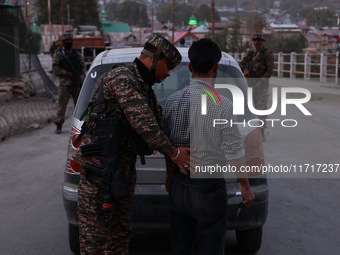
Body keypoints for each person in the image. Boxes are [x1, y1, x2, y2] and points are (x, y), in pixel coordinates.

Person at [73, 33, 195, 255]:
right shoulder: (122, 78)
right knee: (95, 239)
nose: (168, 73)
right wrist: (175, 153)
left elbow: (161, 125)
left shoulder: (145, 91)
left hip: (121, 171)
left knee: (119, 235)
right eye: (167, 67)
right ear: (153, 58)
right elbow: (145, 124)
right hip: (99, 172)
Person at [163, 38, 255, 255]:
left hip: (178, 183)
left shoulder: (172, 101)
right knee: (211, 246)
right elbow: (233, 150)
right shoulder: (222, 104)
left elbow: (168, 148)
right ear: (216, 68)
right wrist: (245, 187)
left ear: (190, 67)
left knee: (180, 244)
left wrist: (169, 178)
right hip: (209, 189)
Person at [239, 33, 274, 140]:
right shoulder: (250, 54)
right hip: (250, 85)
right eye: (255, 40)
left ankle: (261, 132)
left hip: (261, 86)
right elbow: (241, 64)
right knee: (251, 109)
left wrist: (261, 82)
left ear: (262, 42)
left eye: (258, 41)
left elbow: (269, 71)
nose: (256, 42)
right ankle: (251, 131)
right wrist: (244, 70)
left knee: (261, 108)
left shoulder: (267, 54)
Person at [52, 33, 86, 134]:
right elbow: (55, 68)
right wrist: (66, 73)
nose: (69, 43)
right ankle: (59, 125)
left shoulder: (77, 54)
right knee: (62, 105)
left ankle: (79, 125)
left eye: (70, 42)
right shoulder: (59, 54)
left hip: (76, 83)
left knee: (79, 106)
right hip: (65, 84)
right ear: (63, 42)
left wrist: (81, 77)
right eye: (67, 42)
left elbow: (83, 67)